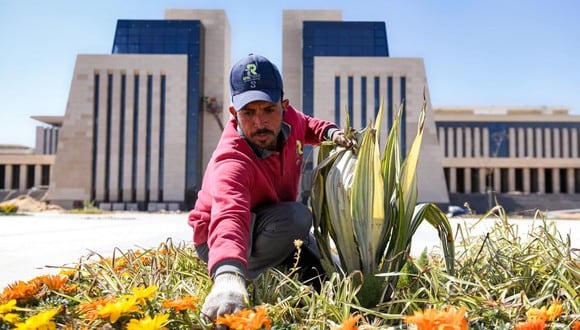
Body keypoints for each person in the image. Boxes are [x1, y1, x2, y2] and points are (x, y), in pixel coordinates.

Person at [188, 54, 352, 321]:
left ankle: (279, 259)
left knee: (325, 269)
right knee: (298, 218)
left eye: (268, 110)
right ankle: (245, 273)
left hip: (267, 221)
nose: (259, 122)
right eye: (248, 113)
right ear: (234, 113)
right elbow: (230, 216)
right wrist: (228, 276)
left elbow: (310, 125)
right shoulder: (231, 160)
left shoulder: (293, 121)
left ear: (284, 107)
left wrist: (331, 133)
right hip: (216, 238)